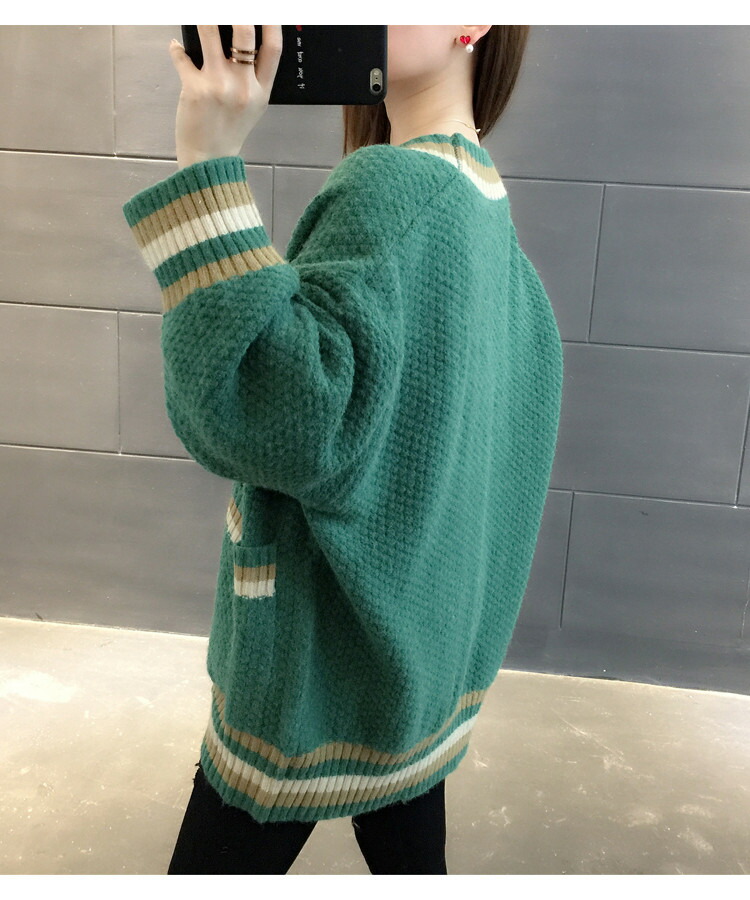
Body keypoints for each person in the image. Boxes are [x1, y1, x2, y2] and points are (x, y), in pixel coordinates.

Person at [121, 24, 563, 875]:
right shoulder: (482, 205)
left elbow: (261, 408)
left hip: (315, 670)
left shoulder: (392, 187)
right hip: (411, 662)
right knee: (410, 845)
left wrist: (205, 159)